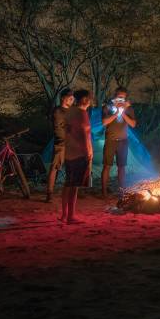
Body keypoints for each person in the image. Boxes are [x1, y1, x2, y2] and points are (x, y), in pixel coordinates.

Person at [60, 89, 93, 223]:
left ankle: (64, 214)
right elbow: (85, 135)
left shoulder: (69, 112)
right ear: (85, 100)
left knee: (68, 184)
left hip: (69, 153)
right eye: (89, 99)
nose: (90, 102)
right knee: (74, 187)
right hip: (79, 154)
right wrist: (89, 152)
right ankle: (71, 216)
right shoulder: (82, 113)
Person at [101, 86, 137, 199]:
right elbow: (104, 122)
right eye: (119, 98)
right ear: (115, 97)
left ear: (126, 98)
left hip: (123, 141)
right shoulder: (107, 107)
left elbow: (133, 124)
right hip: (110, 141)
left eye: (123, 98)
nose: (121, 100)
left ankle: (121, 191)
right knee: (107, 166)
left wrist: (123, 112)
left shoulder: (129, 109)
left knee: (121, 167)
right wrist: (116, 113)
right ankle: (104, 192)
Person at [46, 88, 74, 202]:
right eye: (69, 97)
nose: (72, 99)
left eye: (73, 97)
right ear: (63, 98)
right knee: (54, 168)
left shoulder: (72, 111)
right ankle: (49, 193)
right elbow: (59, 129)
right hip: (61, 144)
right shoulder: (58, 111)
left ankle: (68, 193)